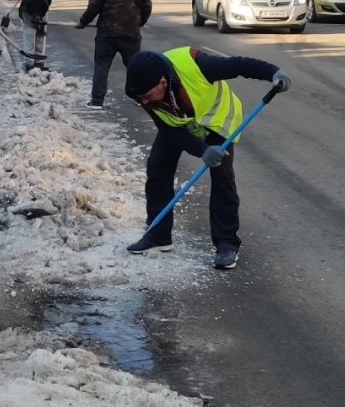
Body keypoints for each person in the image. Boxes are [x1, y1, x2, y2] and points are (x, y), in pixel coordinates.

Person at [123, 48, 292, 270]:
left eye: (146, 96)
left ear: (162, 82)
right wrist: (202, 150)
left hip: (218, 122)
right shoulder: (144, 95)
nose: (143, 102)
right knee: (157, 169)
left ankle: (226, 244)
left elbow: (239, 64)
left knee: (222, 178)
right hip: (181, 125)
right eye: (140, 98)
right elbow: (169, 130)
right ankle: (158, 236)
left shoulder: (198, 66)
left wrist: (274, 73)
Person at [75, 0, 152, 109]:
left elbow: (93, 7)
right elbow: (147, 7)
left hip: (107, 34)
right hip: (131, 35)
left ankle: (97, 100)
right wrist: (139, 23)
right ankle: (144, 97)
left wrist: (83, 22)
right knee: (134, 67)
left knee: (102, 66)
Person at [18, 0, 55, 72]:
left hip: (38, 12)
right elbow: (27, 9)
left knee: (40, 37)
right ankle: (29, 64)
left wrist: (41, 26)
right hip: (28, 13)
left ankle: (39, 62)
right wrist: (37, 20)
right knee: (29, 37)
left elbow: (46, 5)